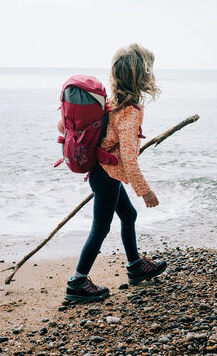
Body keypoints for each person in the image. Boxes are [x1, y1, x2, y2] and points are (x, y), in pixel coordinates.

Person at [61, 44, 167, 301]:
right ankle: (77, 282)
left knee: (128, 215)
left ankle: (135, 266)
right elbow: (130, 161)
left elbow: (61, 125)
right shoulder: (130, 113)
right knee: (101, 228)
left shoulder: (112, 103)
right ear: (141, 79)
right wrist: (145, 191)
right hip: (107, 176)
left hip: (105, 173)